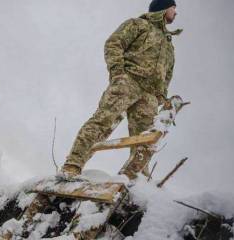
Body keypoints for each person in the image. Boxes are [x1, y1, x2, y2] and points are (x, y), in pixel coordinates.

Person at [61, 0, 182, 179]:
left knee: (145, 139)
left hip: (150, 96)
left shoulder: (169, 45)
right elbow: (114, 43)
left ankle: (137, 178)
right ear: (163, 8)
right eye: (174, 8)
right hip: (128, 82)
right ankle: (73, 165)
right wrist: (118, 73)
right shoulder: (138, 24)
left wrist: (160, 95)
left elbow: (168, 74)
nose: (176, 13)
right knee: (103, 121)